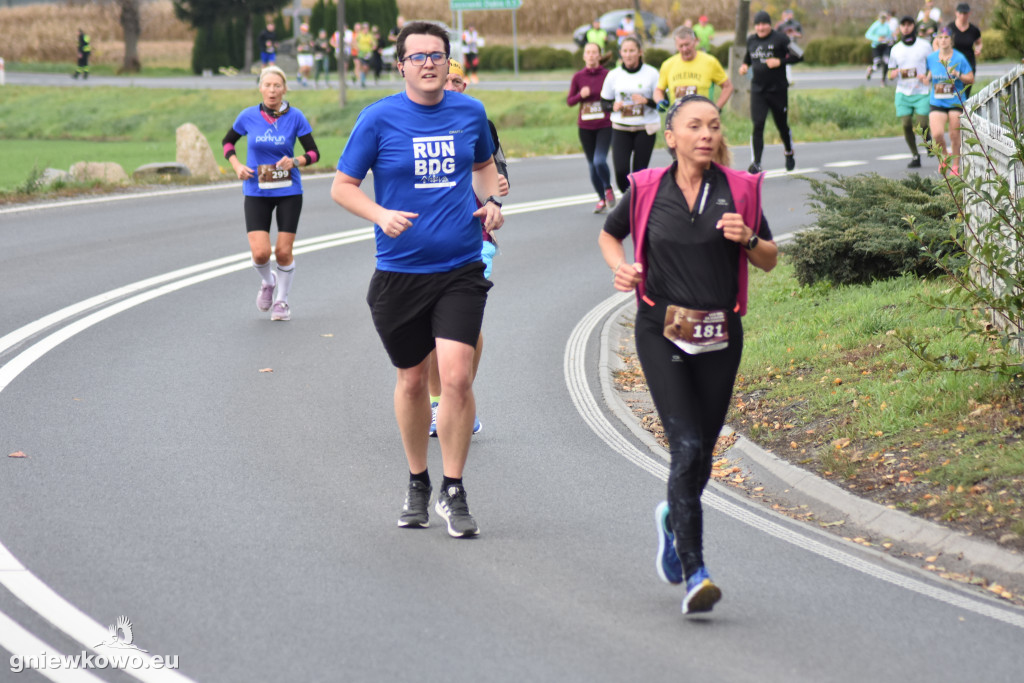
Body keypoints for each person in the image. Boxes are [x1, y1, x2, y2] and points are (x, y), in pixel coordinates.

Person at [598, 94, 778, 615]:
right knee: (686, 444)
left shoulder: (739, 190)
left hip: (721, 332)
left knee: (702, 453)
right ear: (670, 137)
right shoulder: (646, 189)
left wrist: (747, 238)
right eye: (694, 126)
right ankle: (695, 570)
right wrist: (623, 268)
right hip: (663, 330)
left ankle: (672, 518)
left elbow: (769, 259)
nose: (706, 134)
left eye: (714, 125)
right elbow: (612, 238)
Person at [330, 22, 504, 538]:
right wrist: (379, 214)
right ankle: (417, 480)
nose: (429, 63)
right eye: (418, 56)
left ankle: (454, 488)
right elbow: (342, 186)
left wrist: (491, 201)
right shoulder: (378, 119)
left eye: (438, 55)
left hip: (460, 268)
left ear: (450, 63)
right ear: (401, 65)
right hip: (399, 274)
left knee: (455, 377)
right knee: (410, 380)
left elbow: (485, 164)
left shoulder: (470, 112)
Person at [424, 58, 512, 439]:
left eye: (459, 80)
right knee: (429, 328)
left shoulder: (479, 123)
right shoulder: (420, 122)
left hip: (477, 238)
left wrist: (499, 191)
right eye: (448, 80)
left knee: (467, 325)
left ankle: (458, 396)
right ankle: (436, 403)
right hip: (428, 239)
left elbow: (499, 173)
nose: (453, 85)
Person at [222, 66, 320, 322]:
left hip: (288, 190)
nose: (272, 90)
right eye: (267, 85)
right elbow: (228, 142)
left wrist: (295, 161)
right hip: (256, 189)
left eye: (277, 85)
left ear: (284, 89)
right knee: (260, 254)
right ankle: (268, 281)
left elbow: (313, 153)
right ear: (260, 88)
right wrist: (236, 165)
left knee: (283, 252)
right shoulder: (247, 116)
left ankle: (282, 301)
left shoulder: (295, 116)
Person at [739, 10, 802, 174]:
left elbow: (799, 55)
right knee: (758, 125)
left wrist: (780, 61)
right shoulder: (751, 40)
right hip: (758, 90)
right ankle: (756, 162)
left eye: (763, 24)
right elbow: (748, 57)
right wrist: (745, 66)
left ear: (770, 25)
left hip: (778, 90)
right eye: (757, 25)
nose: (760, 28)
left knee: (781, 125)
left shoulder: (781, 38)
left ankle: (789, 151)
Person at [601, 36, 661, 193]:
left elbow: (662, 103)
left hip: (644, 128)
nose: (628, 55)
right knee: (621, 171)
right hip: (621, 128)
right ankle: (629, 197)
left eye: (632, 51)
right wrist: (613, 106)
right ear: (620, 53)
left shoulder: (652, 74)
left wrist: (646, 101)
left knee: (639, 173)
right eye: (625, 51)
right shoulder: (613, 75)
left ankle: (635, 204)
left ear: (640, 52)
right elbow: (604, 103)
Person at [568, 43, 615, 212]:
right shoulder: (578, 77)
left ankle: (608, 188)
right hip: (585, 127)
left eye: (594, 52)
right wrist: (581, 95)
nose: (591, 55)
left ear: (599, 55)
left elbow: (615, 97)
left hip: (604, 125)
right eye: (588, 52)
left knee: (599, 160)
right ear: (584, 56)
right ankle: (602, 199)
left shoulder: (608, 75)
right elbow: (570, 101)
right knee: (592, 165)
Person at [925, 26, 974, 175]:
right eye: (940, 37)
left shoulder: (959, 57)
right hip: (937, 101)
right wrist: (925, 78)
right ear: (936, 40)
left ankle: (956, 165)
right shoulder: (931, 58)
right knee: (937, 134)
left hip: (955, 101)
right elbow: (928, 74)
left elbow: (971, 79)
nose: (943, 40)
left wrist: (957, 74)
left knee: (954, 134)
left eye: (946, 38)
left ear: (951, 40)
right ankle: (945, 156)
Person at [887, 15, 933, 168]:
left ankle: (929, 142)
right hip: (903, 92)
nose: (906, 27)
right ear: (900, 27)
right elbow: (890, 71)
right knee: (906, 124)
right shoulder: (895, 49)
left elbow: (933, 65)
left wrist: (927, 77)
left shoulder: (925, 46)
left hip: (921, 91)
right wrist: (892, 74)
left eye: (909, 24)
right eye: (903, 25)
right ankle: (915, 155)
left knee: (922, 124)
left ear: (914, 26)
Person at [654, 26, 733, 112]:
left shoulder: (710, 62)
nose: (685, 49)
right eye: (681, 46)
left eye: (687, 44)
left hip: (702, 118)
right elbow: (658, 90)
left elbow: (728, 86)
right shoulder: (668, 65)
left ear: (694, 41)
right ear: (676, 46)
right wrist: (659, 101)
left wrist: (717, 108)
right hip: (677, 118)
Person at [947, 3, 982, 98]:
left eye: (965, 13)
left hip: (968, 62)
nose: (963, 15)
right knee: (952, 90)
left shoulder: (974, 30)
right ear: (956, 13)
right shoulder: (950, 28)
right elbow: (939, 41)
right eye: (961, 13)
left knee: (966, 90)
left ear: (969, 13)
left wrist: (978, 49)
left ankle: (963, 109)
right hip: (953, 61)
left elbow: (979, 42)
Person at [865, 11, 895, 85]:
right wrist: (877, 38)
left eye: (884, 18)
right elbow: (868, 34)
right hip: (877, 46)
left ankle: (883, 80)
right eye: (881, 18)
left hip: (885, 46)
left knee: (886, 62)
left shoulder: (886, 25)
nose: (883, 19)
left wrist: (891, 38)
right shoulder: (876, 25)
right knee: (877, 64)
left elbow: (889, 34)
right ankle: (870, 70)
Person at [775, 8, 803, 84]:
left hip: (793, 44)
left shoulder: (796, 24)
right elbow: (775, 34)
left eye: (791, 14)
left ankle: (789, 79)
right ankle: (788, 79)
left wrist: (794, 34)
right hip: (783, 45)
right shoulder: (781, 25)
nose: (790, 16)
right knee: (785, 62)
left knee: (799, 56)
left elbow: (800, 34)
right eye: (788, 15)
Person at [295, 23, 314, 87]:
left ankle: (305, 80)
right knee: (303, 67)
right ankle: (299, 75)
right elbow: (295, 45)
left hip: (308, 53)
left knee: (308, 68)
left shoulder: (310, 36)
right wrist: (298, 48)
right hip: (302, 54)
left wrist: (312, 45)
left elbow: (312, 44)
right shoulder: (299, 37)